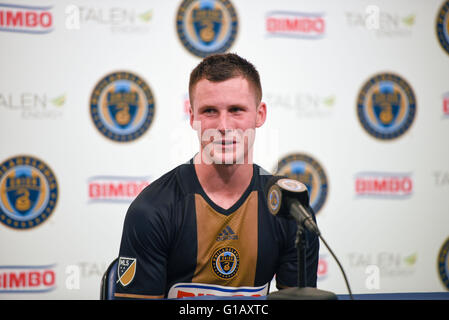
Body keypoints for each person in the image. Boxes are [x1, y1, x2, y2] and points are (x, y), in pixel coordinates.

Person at [114, 53, 319, 299]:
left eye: (236, 110)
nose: (223, 125)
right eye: (210, 111)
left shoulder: (289, 208)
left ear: (259, 114)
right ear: (192, 117)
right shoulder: (152, 209)